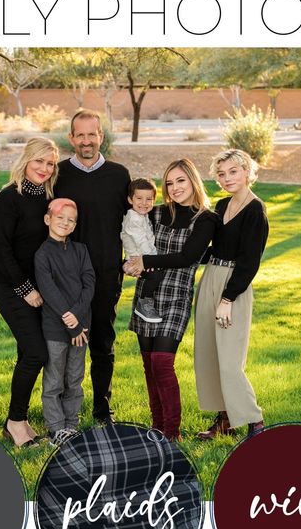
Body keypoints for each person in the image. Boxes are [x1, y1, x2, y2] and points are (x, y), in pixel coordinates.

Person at [124, 159, 217, 441]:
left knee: (163, 362)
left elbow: (187, 257)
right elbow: (132, 240)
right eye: (169, 183)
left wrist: (145, 260)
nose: (174, 188)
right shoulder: (156, 213)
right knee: (149, 364)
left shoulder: (206, 219)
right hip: (147, 296)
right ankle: (157, 427)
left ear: (193, 181)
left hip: (176, 295)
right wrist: (126, 264)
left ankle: (172, 432)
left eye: (181, 181)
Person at [54, 109, 130, 425]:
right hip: (64, 277)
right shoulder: (58, 174)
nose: (86, 141)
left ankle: (102, 409)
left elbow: (133, 222)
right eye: (80, 135)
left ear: (101, 136)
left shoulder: (118, 175)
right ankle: (57, 413)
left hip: (105, 273)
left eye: (92, 134)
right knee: (60, 348)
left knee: (102, 343)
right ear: (72, 138)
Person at [0, 137, 59, 447]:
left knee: (26, 354)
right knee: (36, 353)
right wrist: (25, 289)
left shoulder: (49, 199)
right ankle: (15, 422)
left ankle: (19, 419)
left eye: (50, 163)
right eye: (39, 161)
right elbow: (1, 250)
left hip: (40, 290)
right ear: (26, 161)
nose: (44, 168)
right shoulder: (9, 198)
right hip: (10, 287)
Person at [194, 149, 268, 439]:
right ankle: (224, 420)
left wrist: (227, 299)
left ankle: (255, 422)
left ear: (247, 172)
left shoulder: (255, 210)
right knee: (209, 354)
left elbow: (250, 261)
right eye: (221, 174)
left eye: (233, 172)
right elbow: (214, 249)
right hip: (211, 276)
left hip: (233, 286)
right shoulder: (222, 206)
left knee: (229, 358)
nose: (227, 178)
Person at [34, 198, 95, 446]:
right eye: (60, 217)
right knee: (54, 380)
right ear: (48, 219)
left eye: (71, 220)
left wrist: (77, 318)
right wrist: (70, 321)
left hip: (82, 326)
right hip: (55, 328)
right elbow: (49, 290)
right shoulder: (42, 254)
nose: (66, 223)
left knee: (74, 378)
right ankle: (56, 428)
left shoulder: (81, 251)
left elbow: (89, 283)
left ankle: (71, 424)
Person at [121, 178, 163, 323]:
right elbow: (141, 241)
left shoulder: (141, 215)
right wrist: (151, 261)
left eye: (149, 199)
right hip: (135, 259)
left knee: (155, 275)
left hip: (142, 256)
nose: (144, 203)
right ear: (130, 199)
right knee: (155, 275)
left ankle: (146, 301)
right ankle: (144, 303)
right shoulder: (133, 219)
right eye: (139, 198)